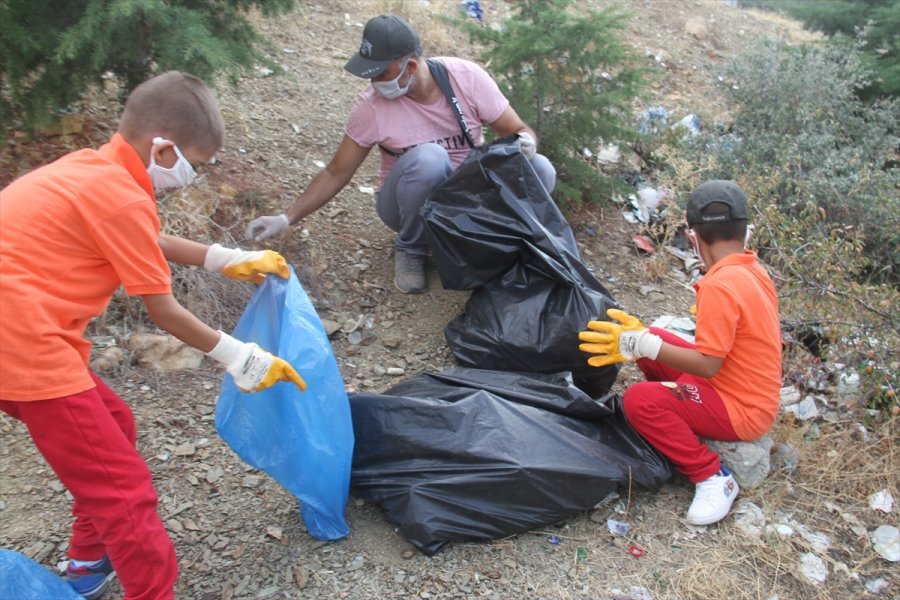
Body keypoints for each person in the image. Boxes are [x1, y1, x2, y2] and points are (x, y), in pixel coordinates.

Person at [0, 71, 307, 600]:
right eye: (195, 164)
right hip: (25, 347)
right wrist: (244, 360)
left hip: (17, 340)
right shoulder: (118, 196)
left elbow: (142, 233)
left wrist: (226, 257)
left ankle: (88, 560)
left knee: (114, 423)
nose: (193, 177)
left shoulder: (90, 170)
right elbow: (163, 311)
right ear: (162, 148)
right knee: (123, 492)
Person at [246, 14, 556, 294]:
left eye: (380, 73)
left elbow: (517, 129)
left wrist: (525, 142)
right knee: (430, 159)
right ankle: (412, 249)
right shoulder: (371, 107)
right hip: (406, 203)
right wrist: (286, 217)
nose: (373, 82)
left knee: (541, 169)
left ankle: (511, 249)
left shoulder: (467, 79)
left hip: (466, 201)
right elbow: (336, 172)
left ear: (409, 66)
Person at [578, 180, 781, 525]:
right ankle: (677, 414)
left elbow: (708, 365)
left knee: (640, 400)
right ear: (745, 231)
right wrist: (646, 341)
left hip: (741, 409)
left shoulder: (719, 285)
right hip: (745, 390)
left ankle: (712, 476)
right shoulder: (751, 270)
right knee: (655, 336)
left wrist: (640, 343)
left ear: (694, 237)